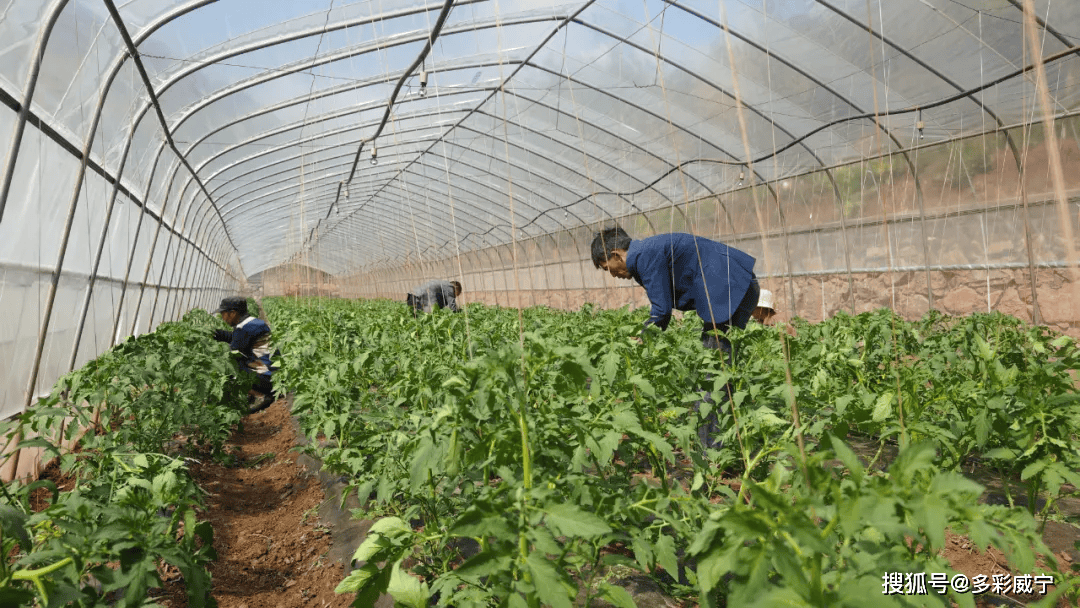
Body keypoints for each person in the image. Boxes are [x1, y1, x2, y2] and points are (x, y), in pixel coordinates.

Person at [590, 226, 759, 454]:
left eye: (607, 268)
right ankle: (712, 444)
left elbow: (661, 311)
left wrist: (642, 340)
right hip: (733, 284)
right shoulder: (648, 251)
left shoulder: (643, 256)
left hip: (727, 286)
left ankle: (713, 451)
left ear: (616, 255)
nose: (612, 275)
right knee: (715, 373)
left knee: (714, 376)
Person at [212, 296, 277, 413]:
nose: (222, 318)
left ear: (232, 313)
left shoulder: (244, 329)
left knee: (228, 367)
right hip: (274, 372)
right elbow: (236, 338)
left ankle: (260, 396)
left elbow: (234, 352)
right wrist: (217, 334)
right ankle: (256, 393)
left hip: (267, 377)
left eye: (223, 314)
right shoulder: (253, 323)